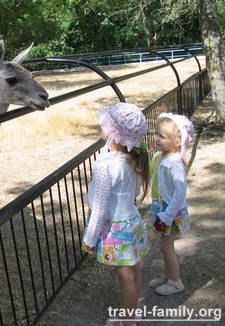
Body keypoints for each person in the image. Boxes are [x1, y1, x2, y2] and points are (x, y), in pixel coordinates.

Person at [82, 102, 150, 326]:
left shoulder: (105, 167)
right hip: (132, 223)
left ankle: (129, 321)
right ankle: (132, 312)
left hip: (116, 231)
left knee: (125, 276)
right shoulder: (131, 159)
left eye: (106, 125)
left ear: (114, 132)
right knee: (135, 269)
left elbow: (99, 208)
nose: (102, 127)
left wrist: (89, 240)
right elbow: (137, 191)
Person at [147, 112, 194, 296]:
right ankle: (168, 275)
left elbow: (180, 192)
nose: (157, 139)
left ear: (177, 142)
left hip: (170, 213)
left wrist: (167, 216)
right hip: (162, 209)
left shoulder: (174, 163)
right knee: (164, 246)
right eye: (157, 135)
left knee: (167, 247)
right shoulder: (160, 156)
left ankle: (175, 282)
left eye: (162, 136)